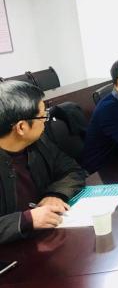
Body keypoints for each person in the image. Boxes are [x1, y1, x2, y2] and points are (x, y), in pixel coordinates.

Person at [0, 81, 86, 243]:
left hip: (47, 236)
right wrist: (26, 220)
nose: (46, 121)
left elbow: (72, 170)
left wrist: (55, 194)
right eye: (42, 116)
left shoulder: (39, 143)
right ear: (21, 127)